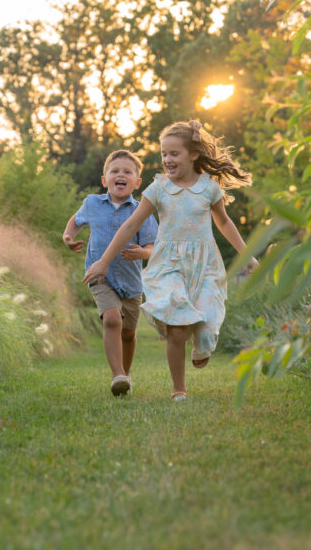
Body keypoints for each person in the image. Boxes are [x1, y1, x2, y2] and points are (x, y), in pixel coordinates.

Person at [83, 120, 257, 401]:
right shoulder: (158, 189)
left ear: (193, 154)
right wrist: (103, 261)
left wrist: (247, 254)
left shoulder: (209, 188)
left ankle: (203, 343)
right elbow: (129, 226)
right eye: (164, 154)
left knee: (209, 321)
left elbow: (224, 223)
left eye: (174, 153)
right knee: (177, 327)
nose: (167, 159)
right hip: (169, 265)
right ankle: (179, 389)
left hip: (204, 265)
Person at [63, 150, 158, 397]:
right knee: (113, 320)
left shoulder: (142, 211)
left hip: (132, 282)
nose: (121, 175)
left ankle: (125, 376)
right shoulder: (92, 204)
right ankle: (117, 375)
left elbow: (151, 246)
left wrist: (144, 254)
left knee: (128, 333)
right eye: (115, 171)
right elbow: (76, 219)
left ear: (137, 183)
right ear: (105, 179)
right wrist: (68, 235)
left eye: (127, 172)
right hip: (100, 276)